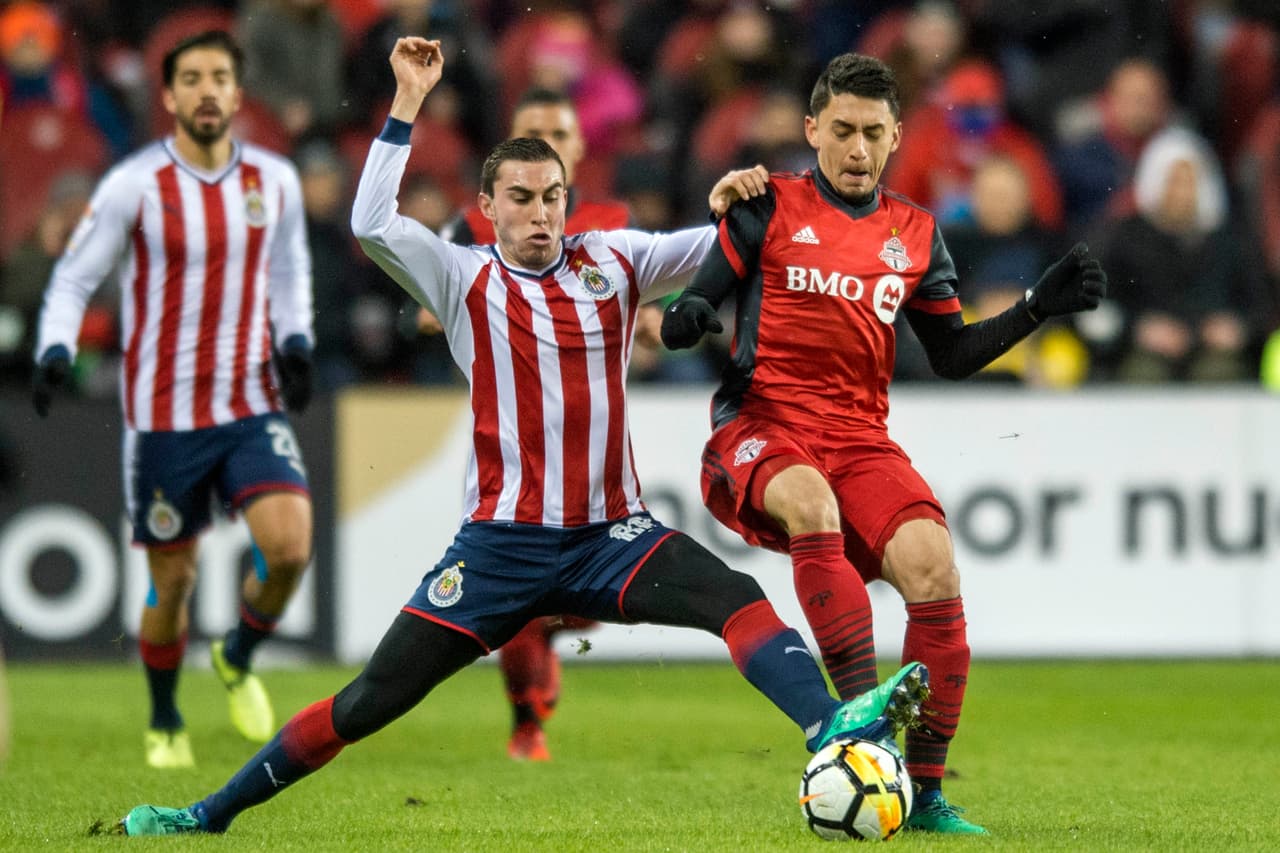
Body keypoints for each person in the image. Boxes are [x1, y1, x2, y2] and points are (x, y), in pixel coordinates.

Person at [110, 36, 929, 837]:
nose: (540, 213)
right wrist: (405, 104)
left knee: (739, 601)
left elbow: (740, 245)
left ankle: (829, 726)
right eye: (522, 198)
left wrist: (754, 198)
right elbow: (368, 223)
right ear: (487, 207)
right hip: (500, 547)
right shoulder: (460, 275)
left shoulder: (612, 262)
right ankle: (206, 814)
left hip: (614, 535)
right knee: (366, 702)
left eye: (552, 197)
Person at [661, 52, 1107, 835]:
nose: (858, 149)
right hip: (760, 421)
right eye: (842, 131)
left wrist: (1037, 305)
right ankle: (860, 728)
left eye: (873, 132)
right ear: (812, 130)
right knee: (811, 501)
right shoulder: (765, 207)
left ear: (897, 135)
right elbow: (688, 306)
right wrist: (691, 316)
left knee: (933, 563)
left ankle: (926, 789)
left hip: (860, 434)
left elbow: (952, 355)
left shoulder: (917, 233)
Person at [31, 30, 316, 769]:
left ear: (238, 90)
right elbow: (71, 277)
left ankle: (238, 653)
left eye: (220, 76)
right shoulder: (134, 185)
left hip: (251, 400)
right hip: (165, 417)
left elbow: (288, 271)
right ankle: (164, 718)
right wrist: (56, 346)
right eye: (191, 78)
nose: (208, 90)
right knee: (173, 580)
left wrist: (296, 342)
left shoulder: (274, 181)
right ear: (169, 97)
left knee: (289, 547)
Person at [431, 84, 631, 762]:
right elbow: (430, 299)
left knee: (581, 600)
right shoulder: (473, 227)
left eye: (561, 134)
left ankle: (548, 642)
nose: (549, 144)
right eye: (533, 132)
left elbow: (663, 303)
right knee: (518, 604)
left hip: (597, 442)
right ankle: (526, 721)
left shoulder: (612, 229)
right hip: (514, 447)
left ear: (578, 152)